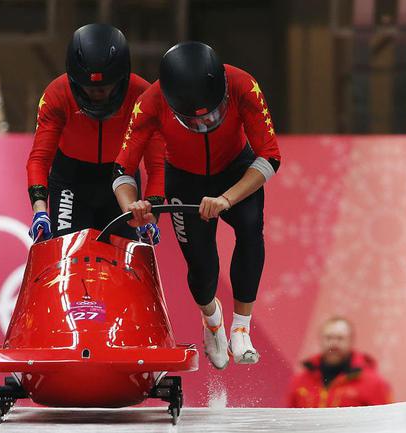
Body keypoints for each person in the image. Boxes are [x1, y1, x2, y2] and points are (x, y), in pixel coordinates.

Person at [112, 41, 281, 369]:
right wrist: (131, 207)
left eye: (214, 116)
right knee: (203, 269)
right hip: (185, 181)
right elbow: (122, 167)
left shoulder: (243, 85)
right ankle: (212, 319)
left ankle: (241, 328)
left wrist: (227, 198)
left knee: (249, 227)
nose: (204, 125)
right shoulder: (149, 103)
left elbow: (270, 155)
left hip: (235, 169)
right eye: (194, 121)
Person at [26, 23, 164, 243]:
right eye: (89, 90)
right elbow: (39, 159)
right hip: (70, 181)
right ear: (74, 80)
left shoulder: (144, 96)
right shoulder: (56, 95)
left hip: (121, 181)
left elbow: (157, 165)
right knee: (70, 254)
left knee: (124, 261)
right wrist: (39, 210)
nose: (98, 96)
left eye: (105, 88)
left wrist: (151, 216)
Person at [287, 317, 392, 407]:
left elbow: (385, 424)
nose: (334, 343)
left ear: (351, 341)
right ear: (320, 340)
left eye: (340, 338)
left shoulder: (374, 383)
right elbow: (289, 422)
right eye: (328, 338)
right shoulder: (299, 381)